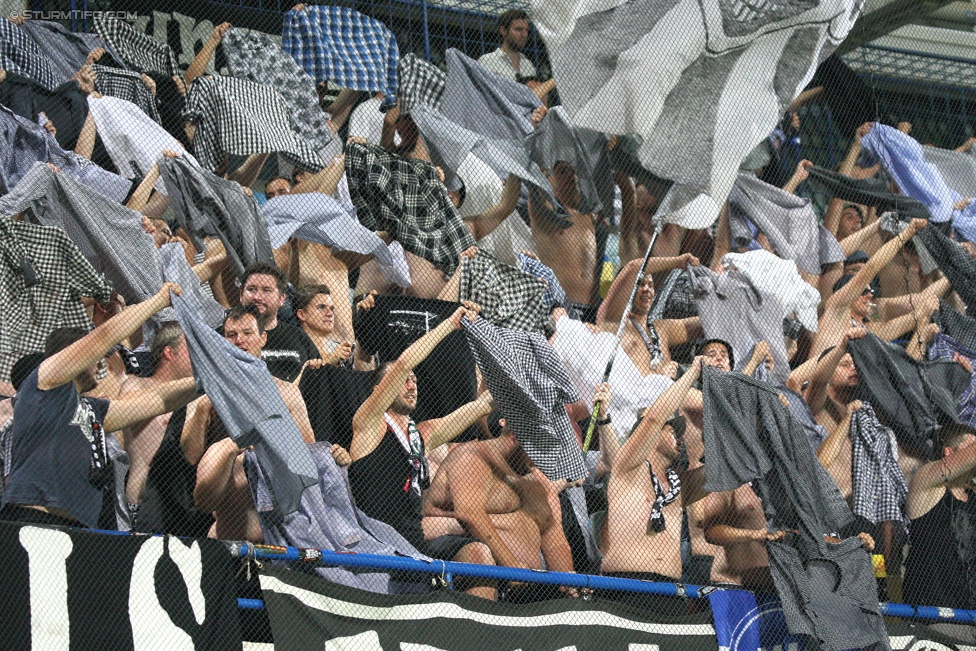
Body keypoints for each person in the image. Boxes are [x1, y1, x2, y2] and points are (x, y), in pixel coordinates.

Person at [0, 284, 199, 528]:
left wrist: (207, 381)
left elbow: (159, 401)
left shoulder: (92, 409)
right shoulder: (44, 385)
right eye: (93, 357)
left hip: (78, 528)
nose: (99, 363)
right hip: (33, 520)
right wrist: (158, 300)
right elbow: (104, 337)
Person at [348, 301, 502, 599]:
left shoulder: (421, 435)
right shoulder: (368, 424)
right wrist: (449, 325)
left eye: (415, 381)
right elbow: (405, 362)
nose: (411, 384)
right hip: (377, 545)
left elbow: (482, 405)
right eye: (403, 381)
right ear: (380, 390)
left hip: (415, 545)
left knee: (476, 553)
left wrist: (513, 380)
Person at [191, 305, 317, 543]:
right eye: (231, 335)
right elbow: (190, 455)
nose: (240, 341)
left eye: (248, 334)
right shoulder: (208, 392)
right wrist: (201, 410)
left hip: (285, 532)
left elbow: (309, 455)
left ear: (263, 338)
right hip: (231, 526)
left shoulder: (287, 393)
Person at [599, 358, 708, 614]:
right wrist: (692, 373)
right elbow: (653, 418)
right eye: (672, 431)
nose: (678, 438)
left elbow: (722, 473)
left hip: (670, 592)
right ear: (651, 434)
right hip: (624, 588)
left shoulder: (677, 485)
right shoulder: (627, 467)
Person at [423, 422, 576, 589]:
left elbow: (555, 541)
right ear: (516, 436)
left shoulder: (540, 483)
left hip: (529, 587)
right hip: (472, 567)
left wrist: (567, 580)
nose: (543, 459)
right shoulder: (473, 456)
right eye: (539, 449)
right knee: (478, 557)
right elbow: (468, 515)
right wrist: (511, 565)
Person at [117, 322, 194, 530]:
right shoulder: (137, 385)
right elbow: (127, 411)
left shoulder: (196, 397)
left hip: (182, 506)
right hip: (142, 503)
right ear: (169, 352)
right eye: (191, 349)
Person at [904, 424, 976, 614]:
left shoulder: (973, 498)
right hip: (933, 613)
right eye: (971, 446)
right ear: (948, 452)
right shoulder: (926, 480)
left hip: (971, 616)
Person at [238, 263, 320, 382]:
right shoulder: (222, 336)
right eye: (251, 289)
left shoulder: (299, 337)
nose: (257, 297)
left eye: (266, 290)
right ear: (241, 295)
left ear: (281, 299)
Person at [293, 284, 353, 366]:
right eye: (321, 307)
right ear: (302, 314)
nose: (330, 313)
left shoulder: (341, 352)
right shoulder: (294, 349)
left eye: (331, 308)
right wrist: (330, 361)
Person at [477, 10, 537, 84]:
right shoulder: (487, 61)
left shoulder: (528, 64)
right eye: (519, 29)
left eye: (527, 30)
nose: (524, 35)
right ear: (503, 30)